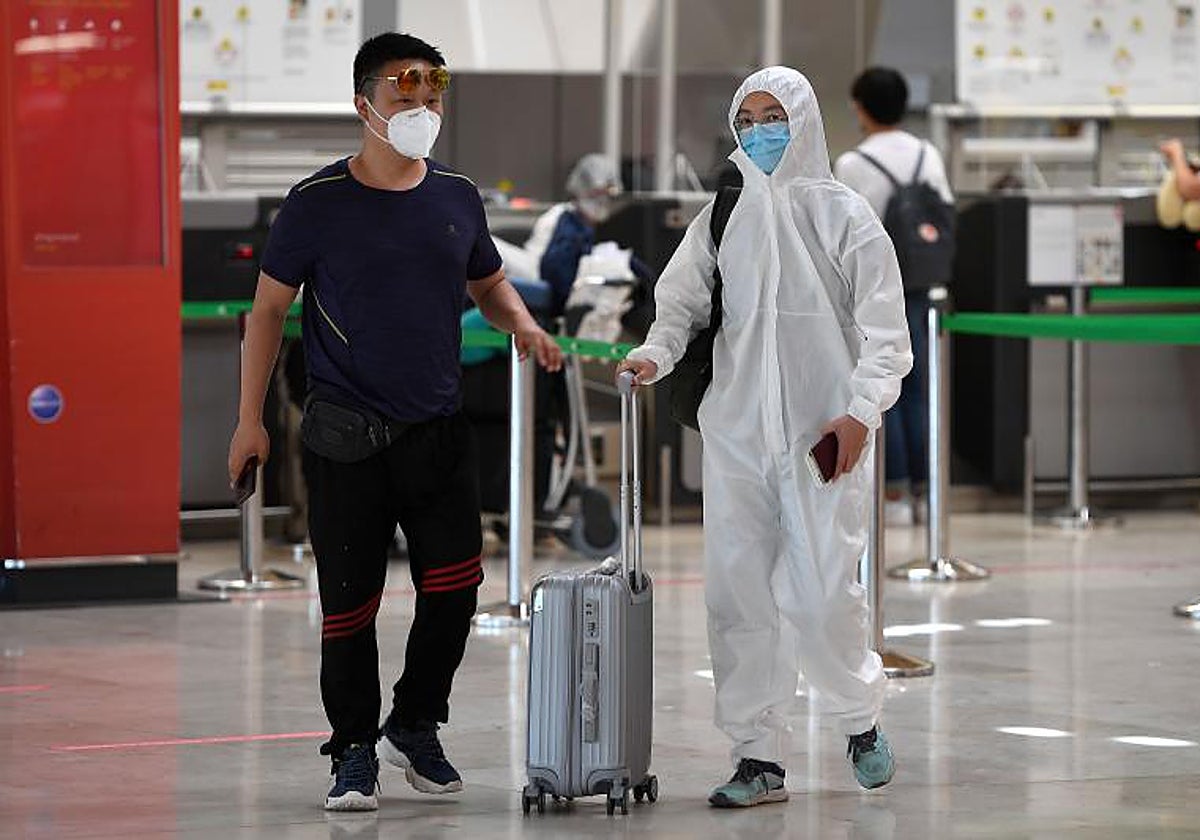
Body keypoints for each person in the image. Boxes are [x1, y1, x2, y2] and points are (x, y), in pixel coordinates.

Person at [226, 32, 562, 812]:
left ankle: (412, 723)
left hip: (437, 434)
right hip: (347, 438)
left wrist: (523, 324)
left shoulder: (457, 195)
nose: (421, 110)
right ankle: (352, 749)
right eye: (404, 95)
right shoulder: (315, 204)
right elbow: (268, 312)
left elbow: (489, 283)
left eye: (432, 97)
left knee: (456, 590)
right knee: (350, 605)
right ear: (363, 104)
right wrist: (249, 421)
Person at [618, 66, 912, 808]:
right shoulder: (724, 213)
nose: (758, 131)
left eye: (772, 116)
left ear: (803, 120)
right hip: (737, 432)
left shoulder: (846, 216)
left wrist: (861, 413)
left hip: (822, 435)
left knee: (822, 593)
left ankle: (859, 718)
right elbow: (681, 301)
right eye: (745, 120)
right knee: (737, 594)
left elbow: (887, 336)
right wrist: (655, 353)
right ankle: (757, 756)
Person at [833, 67, 954, 527]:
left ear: (861, 107)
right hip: (923, 285)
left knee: (886, 388)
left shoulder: (853, 163)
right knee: (922, 387)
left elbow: (842, 228)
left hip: (875, 291)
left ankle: (895, 490)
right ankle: (926, 490)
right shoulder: (928, 154)